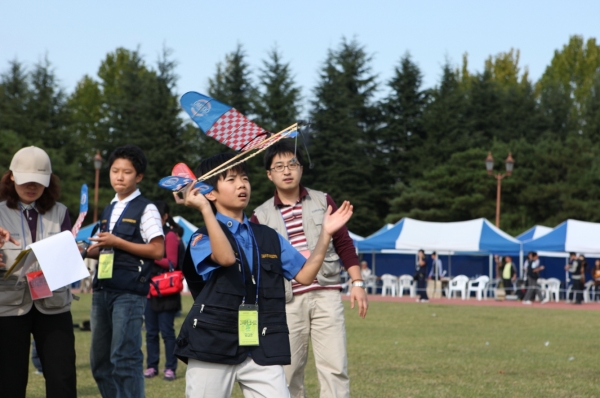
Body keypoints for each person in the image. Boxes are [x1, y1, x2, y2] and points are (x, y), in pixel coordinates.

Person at [174, 152, 353, 397]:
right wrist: (205, 209)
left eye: (245, 178)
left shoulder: (268, 235)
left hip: (260, 343)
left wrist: (326, 234)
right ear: (210, 192)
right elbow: (226, 258)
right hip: (212, 343)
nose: (241, 185)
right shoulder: (201, 237)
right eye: (231, 180)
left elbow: (305, 275)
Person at [251, 140, 367, 398]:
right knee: (288, 372)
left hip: (326, 292)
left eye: (293, 164)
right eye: (279, 166)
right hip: (288, 301)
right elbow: (261, 267)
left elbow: (344, 243)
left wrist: (357, 283)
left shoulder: (323, 200)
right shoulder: (259, 216)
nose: (287, 170)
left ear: (302, 168)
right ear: (269, 174)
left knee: (335, 367)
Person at [87, 144, 165, 398]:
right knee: (99, 363)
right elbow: (105, 248)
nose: (119, 177)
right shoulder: (109, 208)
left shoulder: (147, 208)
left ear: (139, 176)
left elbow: (157, 250)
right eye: (115, 171)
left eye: (127, 172)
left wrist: (117, 242)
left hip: (129, 293)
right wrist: (86, 250)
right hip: (101, 291)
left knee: (124, 359)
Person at [0, 146, 77, 398]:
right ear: (11, 176)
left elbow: (68, 259)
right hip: (8, 306)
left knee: (62, 378)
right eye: (25, 181)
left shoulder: (61, 212)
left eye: (39, 182)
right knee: (9, 380)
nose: (31, 187)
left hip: (54, 304)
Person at [144, 200, 181, 381]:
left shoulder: (170, 236)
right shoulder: (147, 235)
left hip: (166, 291)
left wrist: (150, 254)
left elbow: (171, 263)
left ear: (165, 217)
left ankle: (170, 368)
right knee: (151, 332)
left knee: (167, 332)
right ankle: (152, 366)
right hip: (149, 290)